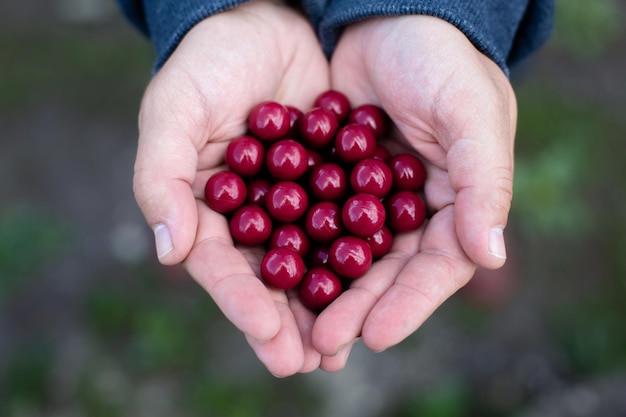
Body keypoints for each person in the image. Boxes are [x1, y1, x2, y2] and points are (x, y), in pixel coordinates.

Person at [117, 0, 554, 376]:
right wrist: (217, 11)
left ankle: (469, 222)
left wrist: (447, 15)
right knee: (185, 198)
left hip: (449, 41)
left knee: (466, 140)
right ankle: (180, 230)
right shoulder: (287, 182)